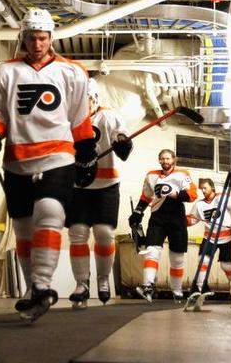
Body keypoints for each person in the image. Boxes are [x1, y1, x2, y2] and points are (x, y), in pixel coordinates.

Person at [0, 7, 97, 322]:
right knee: (23, 228)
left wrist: (86, 149)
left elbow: (79, 116)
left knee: (50, 212)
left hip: (58, 155)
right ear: (23, 37)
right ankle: (34, 290)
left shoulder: (72, 73)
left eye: (43, 37)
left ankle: (42, 284)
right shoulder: (5, 73)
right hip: (17, 159)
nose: (38, 44)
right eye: (32, 38)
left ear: (51, 37)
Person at [67, 78, 133, 308]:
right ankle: (81, 284)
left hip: (106, 185)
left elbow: (121, 138)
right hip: (77, 186)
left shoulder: (109, 116)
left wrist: (123, 143)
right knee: (77, 233)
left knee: (104, 233)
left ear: (94, 98)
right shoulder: (67, 119)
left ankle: (103, 279)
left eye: (85, 99)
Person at [128, 149, 197, 303]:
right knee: (152, 250)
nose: (165, 161)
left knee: (177, 258)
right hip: (157, 218)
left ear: (174, 160)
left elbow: (192, 195)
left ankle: (177, 291)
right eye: (162, 159)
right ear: (159, 160)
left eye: (168, 158)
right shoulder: (151, 175)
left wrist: (172, 193)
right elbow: (146, 196)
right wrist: (138, 212)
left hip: (177, 218)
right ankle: (148, 286)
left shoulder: (182, 174)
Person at [187, 178, 231, 293]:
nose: (203, 190)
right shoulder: (199, 204)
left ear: (212, 187)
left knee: (226, 266)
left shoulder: (222, 198)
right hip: (209, 238)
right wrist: (182, 219)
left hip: (227, 238)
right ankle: (200, 288)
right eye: (201, 188)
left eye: (205, 188)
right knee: (203, 261)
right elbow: (192, 220)